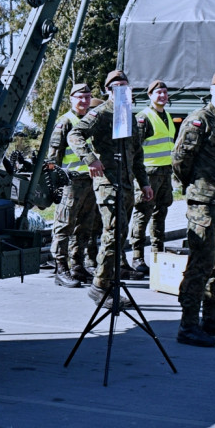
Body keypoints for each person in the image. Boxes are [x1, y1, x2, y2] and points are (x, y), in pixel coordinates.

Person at [171, 69, 215, 347]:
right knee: (200, 263)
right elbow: (180, 160)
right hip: (204, 205)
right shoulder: (199, 121)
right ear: (211, 91)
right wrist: (195, 188)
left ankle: (211, 318)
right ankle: (188, 325)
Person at [69, 70, 154, 306]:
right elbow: (75, 134)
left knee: (120, 235)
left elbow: (137, 155)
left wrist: (144, 183)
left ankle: (111, 282)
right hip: (108, 183)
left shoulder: (129, 116)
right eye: (115, 86)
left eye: (124, 85)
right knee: (112, 234)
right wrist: (90, 159)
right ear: (108, 90)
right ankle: (100, 286)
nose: (120, 89)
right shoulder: (100, 113)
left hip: (126, 184)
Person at [46, 82, 99, 288]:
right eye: (80, 97)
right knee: (64, 225)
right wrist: (55, 186)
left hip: (89, 180)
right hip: (70, 181)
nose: (84, 101)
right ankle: (61, 268)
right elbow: (53, 158)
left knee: (85, 226)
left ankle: (77, 266)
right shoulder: (65, 122)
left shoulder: (91, 120)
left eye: (87, 97)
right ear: (72, 99)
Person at [129, 79, 176, 270]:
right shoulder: (144, 118)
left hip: (165, 173)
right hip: (148, 175)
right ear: (150, 96)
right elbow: (134, 149)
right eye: (158, 93)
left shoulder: (167, 116)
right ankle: (137, 256)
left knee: (161, 213)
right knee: (143, 213)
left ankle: (157, 252)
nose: (162, 96)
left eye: (165, 93)